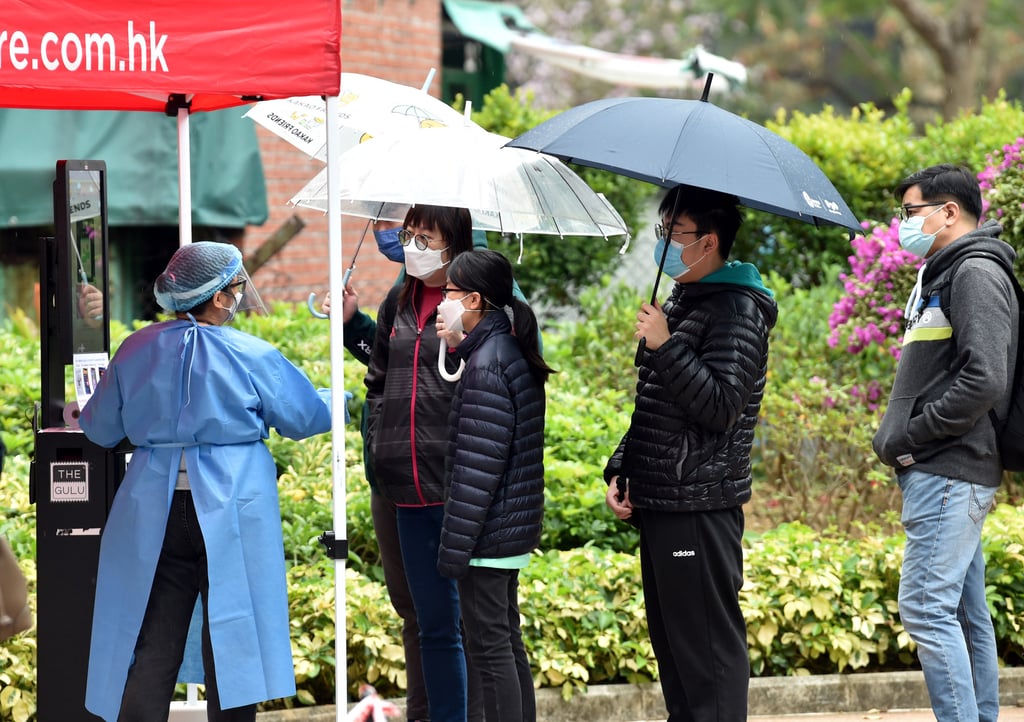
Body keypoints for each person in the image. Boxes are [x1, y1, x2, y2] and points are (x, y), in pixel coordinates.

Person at [79, 241, 332, 722]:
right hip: (232, 508)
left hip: (153, 510)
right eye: (237, 286)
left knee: (154, 639)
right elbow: (304, 417)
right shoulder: (250, 353)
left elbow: (101, 428)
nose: (241, 294)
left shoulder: (136, 348)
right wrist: (338, 397)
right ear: (219, 297)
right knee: (235, 639)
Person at [604, 184, 777, 722]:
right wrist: (622, 468)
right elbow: (658, 403)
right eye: (663, 231)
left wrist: (667, 344)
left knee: (707, 654)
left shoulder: (737, 309)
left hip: (699, 506)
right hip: (664, 500)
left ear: (709, 242)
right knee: (676, 649)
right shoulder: (685, 299)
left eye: (675, 234)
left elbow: (721, 407)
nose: (665, 243)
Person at [872, 163, 1016, 722]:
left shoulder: (974, 272)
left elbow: (985, 378)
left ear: (948, 211)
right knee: (961, 613)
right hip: (945, 470)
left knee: (927, 610)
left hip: (949, 469)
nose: (903, 223)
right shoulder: (944, 273)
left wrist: (913, 436)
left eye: (910, 212)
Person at [363, 205, 479, 722]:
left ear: (453, 242)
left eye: (425, 238)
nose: (412, 246)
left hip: (456, 485)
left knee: (471, 621)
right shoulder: (398, 302)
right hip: (403, 488)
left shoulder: (480, 304)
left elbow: (502, 384)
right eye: (409, 235)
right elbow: (377, 382)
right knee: (428, 622)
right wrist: (379, 445)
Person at [434, 249, 552, 722]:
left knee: (489, 648)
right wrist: (457, 345)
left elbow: (476, 469)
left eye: (449, 292)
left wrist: (455, 549)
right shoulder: (503, 348)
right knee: (504, 641)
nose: (442, 300)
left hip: (489, 533)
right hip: (506, 528)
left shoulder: (488, 362)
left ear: (475, 299)